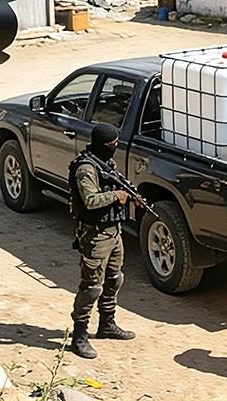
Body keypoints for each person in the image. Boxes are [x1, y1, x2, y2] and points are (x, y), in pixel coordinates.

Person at [68, 123, 136, 359]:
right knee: (91, 287)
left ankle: (107, 324)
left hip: (113, 231)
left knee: (114, 278)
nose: (115, 148)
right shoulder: (85, 169)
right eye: (112, 145)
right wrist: (117, 196)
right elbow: (90, 200)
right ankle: (79, 336)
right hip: (94, 235)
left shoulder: (105, 163)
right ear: (102, 145)